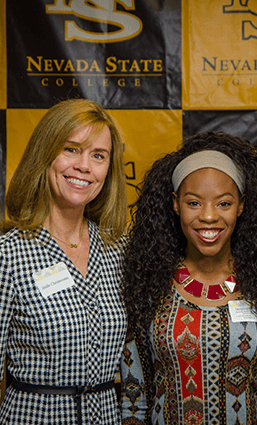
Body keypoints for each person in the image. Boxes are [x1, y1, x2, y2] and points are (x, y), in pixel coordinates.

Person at [120, 131, 257, 425]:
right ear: (175, 204)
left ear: (241, 206)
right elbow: (135, 401)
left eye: (223, 204)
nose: (208, 216)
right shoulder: (148, 288)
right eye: (194, 203)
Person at [0, 98, 128, 424]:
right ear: (45, 155)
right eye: (71, 149)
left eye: (98, 155)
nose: (84, 166)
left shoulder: (120, 249)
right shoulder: (8, 254)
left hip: (106, 415)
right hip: (34, 416)